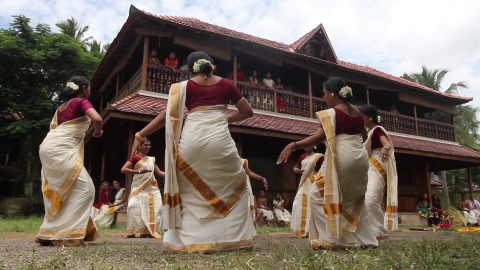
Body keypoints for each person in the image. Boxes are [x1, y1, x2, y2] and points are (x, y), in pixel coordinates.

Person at [131, 51, 255, 252]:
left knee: (189, 189)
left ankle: (191, 240)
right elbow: (248, 112)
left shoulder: (183, 88)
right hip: (220, 141)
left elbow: (165, 116)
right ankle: (232, 239)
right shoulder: (227, 85)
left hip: (192, 141)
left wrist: (139, 135)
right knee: (236, 182)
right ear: (210, 64)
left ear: (190, 69)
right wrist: (223, 119)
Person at [277, 77, 378, 249]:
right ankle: (365, 239)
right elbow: (364, 137)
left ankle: (336, 238)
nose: (323, 97)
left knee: (317, 195)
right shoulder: (359, 113)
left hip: (341, 157)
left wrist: (292, 145)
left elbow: (317, 138)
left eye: (324, 93)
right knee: (352, 198)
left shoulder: (330, 114)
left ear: (332, 93)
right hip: (359, 157)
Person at [35, 76, 103, 247]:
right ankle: (71, 236)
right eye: (89, 88)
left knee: (64, 190)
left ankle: (47, 233)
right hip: (61, 149)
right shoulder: (80, 101)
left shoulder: (60, 108)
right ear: (85, 88)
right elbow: (98, 119)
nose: (90, 91)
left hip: (48, 146)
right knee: (86, 189)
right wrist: (97, 132)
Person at [360, 104, 398, 240]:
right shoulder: (367, 133)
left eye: (362, 116)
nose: (360, 118)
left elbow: (386, 143)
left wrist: (386, 149)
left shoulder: (377, 130)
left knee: (371, 199)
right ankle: (371, 230)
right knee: (366, 199)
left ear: (370, 117)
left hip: (378, 163)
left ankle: (379, 230)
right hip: (368, 165)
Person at [121, 137, 164, 238]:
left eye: (149, 145)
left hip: (151, 188)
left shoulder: (151, 160)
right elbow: (124, 169)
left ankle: (147, 231)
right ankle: (133, 230)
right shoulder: (135, 158)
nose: (148, 147)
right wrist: (138, 172)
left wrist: (173, 174)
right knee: (133, 206)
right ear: (140, 146)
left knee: (154, 207)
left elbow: (160, 173)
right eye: (145, 145)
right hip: (138, 186)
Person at [290, 147, 324, 238]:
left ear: (313, 146)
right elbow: (296, 166)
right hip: (304, 181)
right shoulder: (302, 156)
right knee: (298, 203)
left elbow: (324, 169)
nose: (306, 147)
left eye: (308, 145)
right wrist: (296, 170)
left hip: (314, 180)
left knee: (311, 202)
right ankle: (301, 229)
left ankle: (310, 230)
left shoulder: (318, 156)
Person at [242, 158, 268, 222]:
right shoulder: (227, 160)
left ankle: (251, 224)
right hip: (233, 187)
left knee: (247, 205)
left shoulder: (242, 161)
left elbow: (250, 173)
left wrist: (262, 178)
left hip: (244, 187)